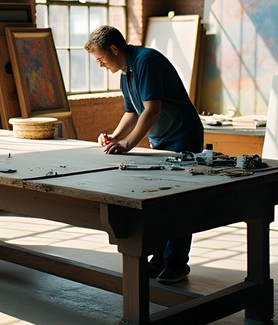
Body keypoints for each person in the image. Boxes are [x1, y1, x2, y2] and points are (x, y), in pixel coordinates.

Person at [84, 25, 203, 284]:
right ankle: (159, 259)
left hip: (182, 135)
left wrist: (127, 144)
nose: (100, 65)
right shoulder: (125, 73)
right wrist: (115, 136)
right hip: (161, 139)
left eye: (101, 59)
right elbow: (132, 112)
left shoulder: (146, 61)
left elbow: (152, 110)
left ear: (114, 49)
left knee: (179, 202)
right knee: (159, 200)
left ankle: (177, 263)